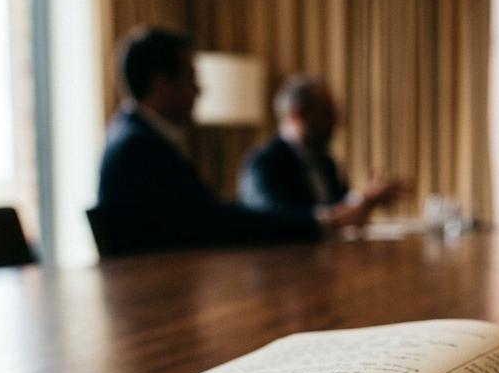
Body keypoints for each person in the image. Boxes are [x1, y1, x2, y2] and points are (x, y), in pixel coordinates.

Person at [95, 28, 379, 255]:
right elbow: (212, 222)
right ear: (161, 84)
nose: (199, 90)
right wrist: (324, 222)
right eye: (191, 77)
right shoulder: (139, 147)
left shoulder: (136, 136)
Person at [239, 75, 405, 215]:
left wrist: (364, 200)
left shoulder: (326, 162)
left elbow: (340, 211)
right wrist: (361, 202)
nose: (337, 121)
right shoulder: (263, 163)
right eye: (327, 112)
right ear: (298, 115)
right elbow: (279, 221)